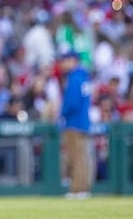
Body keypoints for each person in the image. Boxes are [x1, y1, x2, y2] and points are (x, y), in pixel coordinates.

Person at [59, 50, 92, 199]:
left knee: (76, 158)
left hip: (74, 123)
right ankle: (83, 187)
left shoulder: (75, 78)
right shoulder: (84, 77)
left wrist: (62, 113)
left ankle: (77, 189)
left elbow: (71, 103)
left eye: (65, 60)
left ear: (73, 60)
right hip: (83, 122)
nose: (63, 64)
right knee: (82, 157)